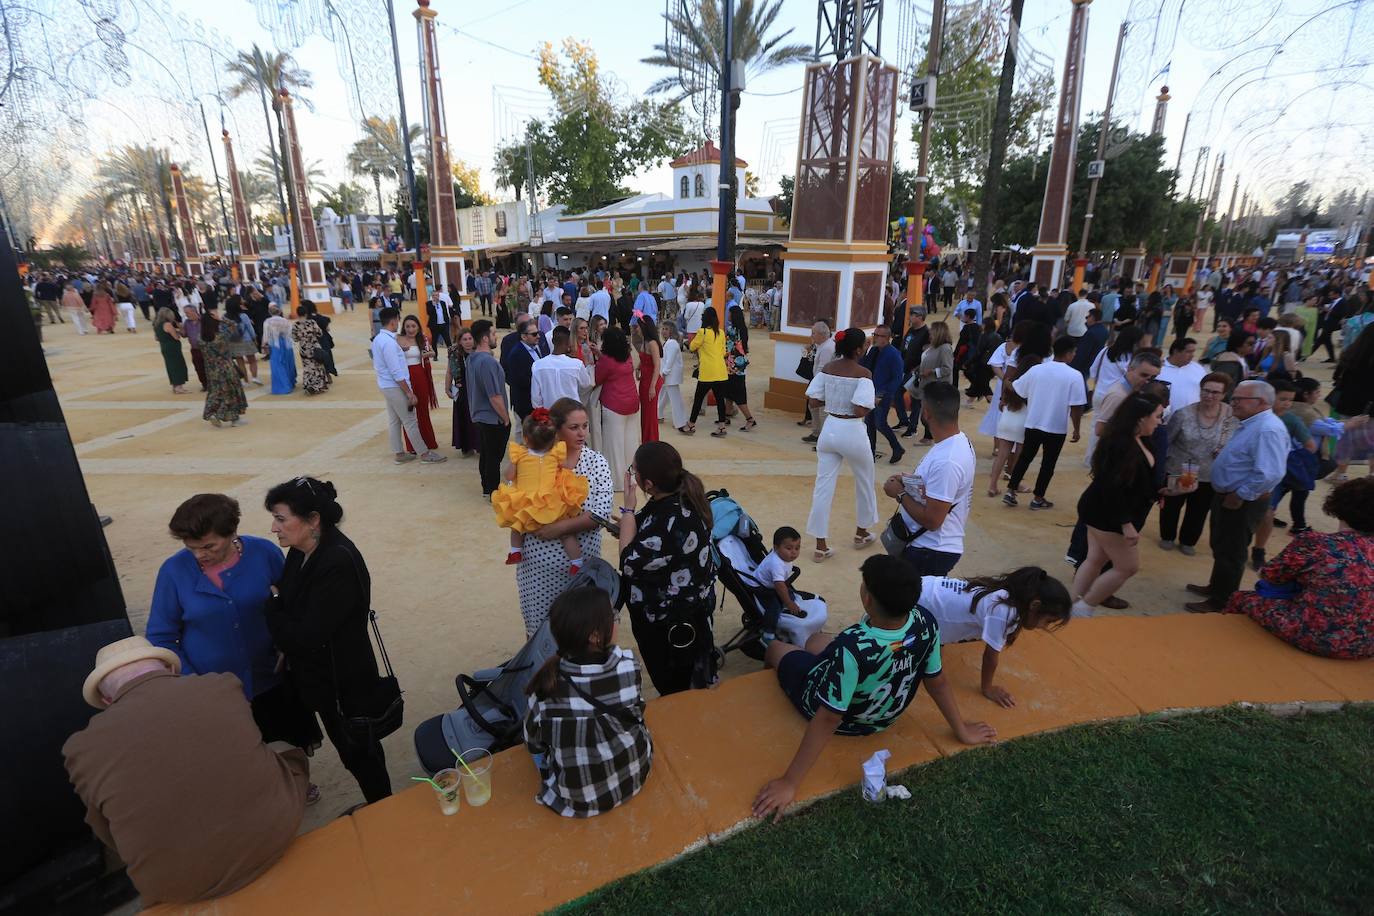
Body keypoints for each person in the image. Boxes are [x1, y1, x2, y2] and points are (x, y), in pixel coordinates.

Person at [62, 636, 309, 905]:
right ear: (169, 670)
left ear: (107, 699)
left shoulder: (80, 748)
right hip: (273, 838)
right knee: (281, 749)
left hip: (175, 885)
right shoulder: (222, 685)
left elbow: (107, 831)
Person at [752, 554, 996, 822]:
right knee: (815, 640)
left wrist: (790, 782)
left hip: (842, 716)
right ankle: (807, 658)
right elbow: (936, 680)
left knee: (776, 648)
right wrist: (961, 729)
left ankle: (774, 680)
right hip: (884, 717)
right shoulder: (926, 621)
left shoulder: (851, 645)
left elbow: (829, 717)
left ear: (867, 598)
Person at [146, 493, 320, 753]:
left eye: (209, 546)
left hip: (271, 679)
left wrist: (289, 644)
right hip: (212, 690)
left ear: (232, 532)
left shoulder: (264, 553)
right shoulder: (173, 571)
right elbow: (161, 636)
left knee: (285, 749)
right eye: (190, 547)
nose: (198, 555)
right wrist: (193, 681)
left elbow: (292, 605)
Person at [264, 477, 393, 804]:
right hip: (322, 678)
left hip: (344, 681)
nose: (273, 528)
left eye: (281, 519)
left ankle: (384, 809)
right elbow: (293, 610)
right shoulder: (300, 550)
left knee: (360, 753)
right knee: (350, 750)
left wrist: (274, 606)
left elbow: (305, 634)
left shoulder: (337, 561)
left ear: (313, 520)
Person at [522, 586, 653, 817]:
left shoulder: (544, 688)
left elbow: (533, 743)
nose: (616, 620)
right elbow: (639, 710)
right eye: (612, 616)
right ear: (594, 636)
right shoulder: (629, 665)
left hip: (578, 801)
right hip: (635, 777)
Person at [1222, 478, 1374, 659]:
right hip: (1367, 644)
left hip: (1316, 636)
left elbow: (1271, 575)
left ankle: (1227, 657)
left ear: (1340, 505)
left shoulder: (1317, 542)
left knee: (1239, 598)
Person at [618, 441, 717, 695]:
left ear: (648, 484)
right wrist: (629, 524)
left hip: (669, 627)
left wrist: (628, 509)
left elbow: (628, 562)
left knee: (677, 693)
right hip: (693, 616)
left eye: (635, 470)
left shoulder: (668, 519)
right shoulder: (685, 499)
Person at [1184, 381, 1290, 613]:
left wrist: (1241, 494)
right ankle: (1217, 587)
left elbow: (1270, 472)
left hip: (1242, 500)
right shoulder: (1252, 424)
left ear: (1261, 403)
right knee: (1221, 545)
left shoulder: (1268, 429)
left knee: (1231, 550)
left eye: (1239, 399)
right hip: (1229, 496)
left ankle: (1222, 600)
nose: (1233, 403)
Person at [515, 398, 615, 635]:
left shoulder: (595, 462)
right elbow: (517, 504)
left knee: (580, 633)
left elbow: (599, 513)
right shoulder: (534, 460)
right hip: (538, 569)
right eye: (574, 428)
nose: (582, 433)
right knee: (541, 631)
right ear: (556, 430)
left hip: (581, 571)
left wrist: (557, 528)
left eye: (585, 426)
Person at [1071, 394, 1169, 616]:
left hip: (1102, 510)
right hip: (1108, 514)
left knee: (1095, 559)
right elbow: (1111, 488)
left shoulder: (1141, 439)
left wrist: (1168, 490)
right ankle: (1084, 607)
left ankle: (1072, 604)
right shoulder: (1120, 445)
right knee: (1127, 567)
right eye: (1157, 416)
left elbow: (1138, 482)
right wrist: (1126, 524)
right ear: (1140, 418)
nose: (1159, 421)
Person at [917, 567, 1073, 707]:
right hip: (921, 602)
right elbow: (990, 656)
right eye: (1048, 621)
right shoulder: (1003, 612)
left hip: (927, 588)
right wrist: (988, 688)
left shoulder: (1011, 591)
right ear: (1034, 605)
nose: (1044, 627)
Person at [881, 382, 976, 575]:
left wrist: (899, 493)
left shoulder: (947, 460)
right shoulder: (956, 441)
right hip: (928, 547)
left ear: (926, 413)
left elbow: (933, 520)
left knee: (912, 606)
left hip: (929, 551)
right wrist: (909, 481)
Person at [804, 328, 878, 562]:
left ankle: (820, 546)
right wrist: (872, 402)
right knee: (864, 481)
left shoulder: (828, 369)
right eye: (864, 345)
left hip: (830, 430)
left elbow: (813, 400)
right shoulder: (863, 373)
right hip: (853, 430)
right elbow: (859, 409)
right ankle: (861, 532)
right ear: (857, 350)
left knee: (822, 487)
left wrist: (835, 396)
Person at [494, 407, 590, 575]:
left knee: (517, 526)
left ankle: (516, 551)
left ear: (525, 438)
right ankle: (577, 561)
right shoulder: (555, 454)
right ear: (554, 439)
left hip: (526, 503)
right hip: (550, 502)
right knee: (566, 535)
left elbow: (509, 476)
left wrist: (515, 465)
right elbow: (567, 466)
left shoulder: (520, 454)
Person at [1004, 335, 1087, 509]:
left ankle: (1011, 491)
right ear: (1069, 353)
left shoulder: (1037, 370)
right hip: (1056, 427)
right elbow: (1076, 407)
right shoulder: (1074, 375)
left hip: (1034, 422)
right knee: (1048, 464)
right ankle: (1038, 498)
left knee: (1025, 457)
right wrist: (1077, 429)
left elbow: (1017, 387)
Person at [1158, 373, 1237, 554]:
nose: (1209, 396)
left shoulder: (1231, 416)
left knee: (1199, 510)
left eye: (1215, 392)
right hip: (1180, 469)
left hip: (1209, 473)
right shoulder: (1183, 414)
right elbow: (1167, 441)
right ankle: (1167, 536)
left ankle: (1188, 540)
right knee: (1172, 504)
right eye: (1206, 391)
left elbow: (1236, 442)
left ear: (1224, 395)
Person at [1249, 380, 1319, 567]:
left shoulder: (1290, 419)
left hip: (1276, 473)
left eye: (1290, 400)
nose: (1287, 404)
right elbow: (1310, 447)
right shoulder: (1266, 416)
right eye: (1283, 399)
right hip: (1256, 469)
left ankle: (1259, 549)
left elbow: (1310, 446)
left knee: (1267, 511)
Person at [373, 307, 445, 465]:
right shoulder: (390, 343)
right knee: (410, 420)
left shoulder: (379, 339)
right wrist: (409, 393)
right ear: (394, 321)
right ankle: (424, 454)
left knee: (394, 420)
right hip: (395, 386)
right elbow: (396, 372)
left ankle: (399, 453)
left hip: (386, 385)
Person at [754, 526, 829, 645]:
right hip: (762, 587)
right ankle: (768, 633)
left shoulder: (783, 556)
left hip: (774, 584)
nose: (794, 552)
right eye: (789, 548)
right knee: (774, 606)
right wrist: (789, 603)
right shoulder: (776, 564)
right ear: (776, 548)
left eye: (797, 548)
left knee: (788, 595)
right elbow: (779, 585)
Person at [592, 326, 641, 491]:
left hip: (614, 406)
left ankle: (617, 483)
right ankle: (632, 478)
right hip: (632, 403)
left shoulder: (606, 360)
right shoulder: (627, 357)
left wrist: (598, 357)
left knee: (614, 446)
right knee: (630, 443)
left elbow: (597, 378)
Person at [467, 320, 512, 497]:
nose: (496, 337)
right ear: (485, 338)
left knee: (486, 454)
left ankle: (487, 488)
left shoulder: (472, 358)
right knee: (493, 456)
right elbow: (494, 396)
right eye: (493, 334)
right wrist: (506, 418)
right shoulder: (487, 362)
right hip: (492, 417)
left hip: (480, 415)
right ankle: (492, 490)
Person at [396, 314, 440, 454]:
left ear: (418, 327)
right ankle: (412, 445)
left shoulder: (423, 339)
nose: (410, 329)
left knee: (422, 410)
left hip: (420, 376)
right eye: (407, 326)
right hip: (404, 377)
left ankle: (428, 441)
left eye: (413, 326)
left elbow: (432, 352)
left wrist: (427, 354)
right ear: (404, 327)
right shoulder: (397, 339)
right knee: (408, 411)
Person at [686, 306, 731, 437]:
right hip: (721, 371)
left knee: (698, 399)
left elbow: (692, 346)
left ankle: (690, 424)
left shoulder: (702, 332)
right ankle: (722, 426)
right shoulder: (721, 332)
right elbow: (723, 352)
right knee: (720, 400)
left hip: (707, 372)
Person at [201, 313, 248, 428]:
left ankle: (212, 412)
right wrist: (222, 319)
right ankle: (234, 419)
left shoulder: (201, 339)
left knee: (215, 392)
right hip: (226, 367)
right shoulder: (221, 336)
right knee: (231, 392)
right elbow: (234, 325)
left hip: (211, 369)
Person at [445, 327, 480, 457]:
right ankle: (467, 447)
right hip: (461, 389)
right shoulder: (454, 352)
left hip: (477, 389)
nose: (468, 342)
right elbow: (449, 371)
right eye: (464, 339)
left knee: (477, 418)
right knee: (464, 417)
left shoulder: (479, 352)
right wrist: (447, 387)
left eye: (470, 338)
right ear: (459, 341)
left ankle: (479, 445)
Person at [723, 306, 758, 432]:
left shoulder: (731, 330)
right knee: (729, 392)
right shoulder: (743, 329)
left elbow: (727, 347)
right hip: (739, 365)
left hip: (732, 366)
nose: (728, 315)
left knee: (736, 394)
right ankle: (726, 416)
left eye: (729, 313)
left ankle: (750, 419)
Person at [802, 322, 836, 443]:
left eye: (814, 333)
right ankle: (817, 433)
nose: (812, 336)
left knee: (821, 410)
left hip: (822, 383)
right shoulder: (823, 345)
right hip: (819, 382)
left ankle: (822, 436)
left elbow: (823, 370)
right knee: (813, 407)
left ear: (822, 335)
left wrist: (815, 386)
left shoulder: (827, 348)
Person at [635, 315, 665, 442]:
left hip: (651, 381)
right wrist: (638, 367)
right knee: (646, 414)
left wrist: (652, 386)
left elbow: (657, 365)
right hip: (645, 380)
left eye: (638, 326)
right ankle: (647, 440)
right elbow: (645, 360)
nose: (636, 329)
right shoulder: (645, 341)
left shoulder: (652, 343)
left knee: (650, 414)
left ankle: (651, 441)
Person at [1158, 337, 1206, 414]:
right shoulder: (1159, 368)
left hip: (1192, 417)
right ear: (1176, 351)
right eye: (1188, 352)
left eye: (1193, 352)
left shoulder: (1198, 368)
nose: (1192, 355)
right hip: (1164, 418)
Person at [292, 302, 330, 395]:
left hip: (304, 348)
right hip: (314, 347)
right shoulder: (312, 322)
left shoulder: (295, 325)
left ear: (298, 314)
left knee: (307, 368)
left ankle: (308, 385)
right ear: (306, 313)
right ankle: (318, 386)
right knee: (318, 366)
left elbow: (295, 338)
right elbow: (319, 333)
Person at [657, 321, 688, 434]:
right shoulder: (669, 343)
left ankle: (680, 422)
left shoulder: (671, 344)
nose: (663, 331)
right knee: (664, 396)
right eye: (663, 329)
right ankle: (659, 414)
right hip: (668, 376)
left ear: (671, 331)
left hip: (669, 376)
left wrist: (664, 373)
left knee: (675, 399)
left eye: (666, 329)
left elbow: (669, 361)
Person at [261, 305, 296, 395]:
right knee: (288, 364)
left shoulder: (268, 321)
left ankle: (283, 387)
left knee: (277, 365)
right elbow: (291, 334)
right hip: (287, 344)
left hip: (275, 345)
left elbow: (266, 335)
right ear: (280, 312)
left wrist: (264, 345)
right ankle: (290, 383)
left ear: (270, 312)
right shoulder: (286, 321)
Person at [153, 306, 189, 395]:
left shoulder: (157, 325)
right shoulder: (167, 324)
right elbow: (176, 337)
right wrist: (179, 330)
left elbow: (156, 338)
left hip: (164, 346)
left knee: (170, 366)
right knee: (177, 365)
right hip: (172, 347)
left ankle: (175, 385)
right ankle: (178, 387)